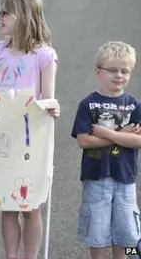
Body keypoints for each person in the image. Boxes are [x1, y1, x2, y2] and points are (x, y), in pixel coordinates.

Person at [0, 0, 60, 259]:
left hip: (32, 139)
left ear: (24, 17)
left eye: (5, 12)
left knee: (30, 205)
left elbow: (48, 96)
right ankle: (12, 256)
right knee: (8, 204)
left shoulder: (44, 55)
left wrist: (51, 108)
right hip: (4, 136)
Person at [71, 41, 141, 259]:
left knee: (124, 232)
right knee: (97, 232)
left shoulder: (135, 105)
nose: (118, 75)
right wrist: (123, 136)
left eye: (125, 71)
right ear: (98, 71)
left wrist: (108, 133)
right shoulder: (88, 104)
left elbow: (138, 141)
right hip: (96, 177)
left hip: (125, 177)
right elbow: (84, 140)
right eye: (112, 70)